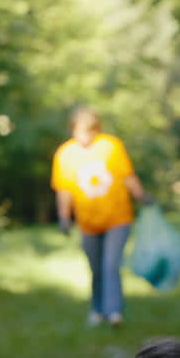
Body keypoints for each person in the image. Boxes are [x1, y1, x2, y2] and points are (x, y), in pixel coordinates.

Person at [51, 107, 152, 327]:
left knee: (110, 265)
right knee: (95, 268)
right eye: (79, 131)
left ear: (96, 129)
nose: (83, 136)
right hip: (87, 223)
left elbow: (127, 176)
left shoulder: (111, 146)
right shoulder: (65, 154)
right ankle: (97, 310)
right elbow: (64, 190)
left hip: (118, 218)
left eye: (88, 131)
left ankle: (114, 312)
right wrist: (64, 217)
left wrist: (141, 195)